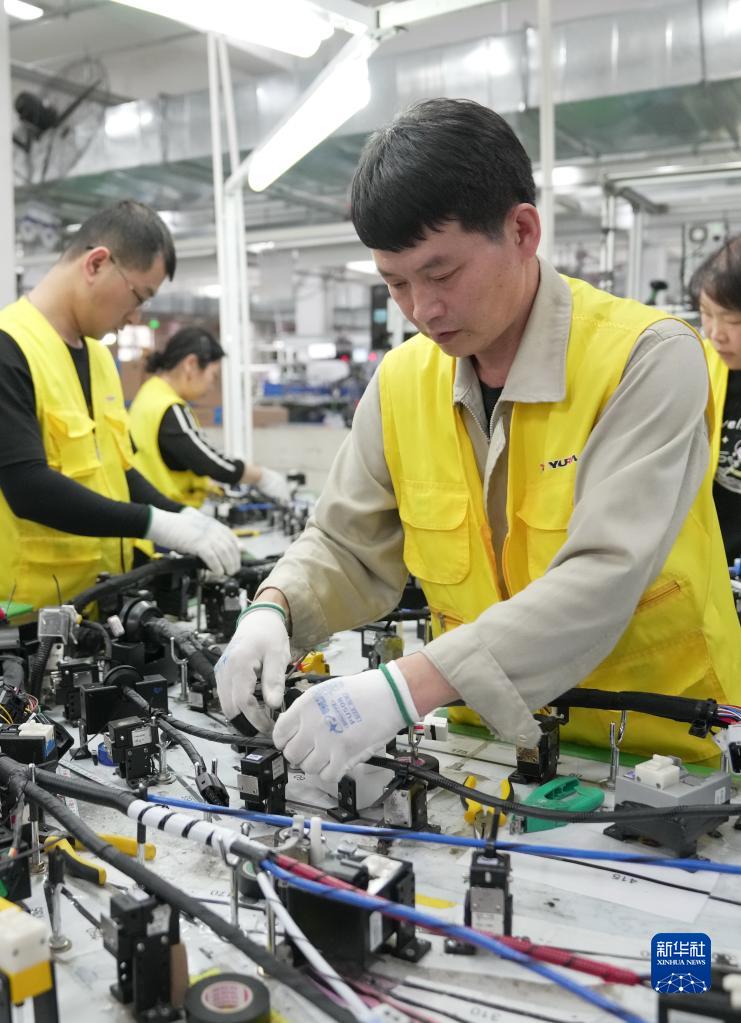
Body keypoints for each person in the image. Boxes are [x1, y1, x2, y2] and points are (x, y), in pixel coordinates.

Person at [216, 98, 740, 778]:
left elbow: (605, 574)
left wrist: (404, 686)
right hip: (485, 746)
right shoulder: (402, 382)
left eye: (441, 274)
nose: (422, 309)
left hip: (661, 750)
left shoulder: (645, 358)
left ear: (521, 231)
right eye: (395, 283)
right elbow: (346, 543)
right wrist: (275, 608)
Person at [0, 200, 241, 612]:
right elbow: (28, 487)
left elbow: (119, 471)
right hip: (33, 614)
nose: (135, 318)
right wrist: (154, 523)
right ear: (96, 264)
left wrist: (183, 515)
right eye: (138, 296)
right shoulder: (10, 347)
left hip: (103, 605)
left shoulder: (99, 359)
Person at [128, 327, 290, 507]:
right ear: (191, 364)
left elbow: (178, 461)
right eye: (213, 375)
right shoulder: (168, 407)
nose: (211, 385)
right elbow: (210, 462)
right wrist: (262, 477)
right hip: (168, 516)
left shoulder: (150, 394)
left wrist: (209, 486)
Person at [691, 237, 741, 563]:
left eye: (734, 321)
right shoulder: (699, 363)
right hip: (714, 560)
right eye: (706, 314)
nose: (715, 333)